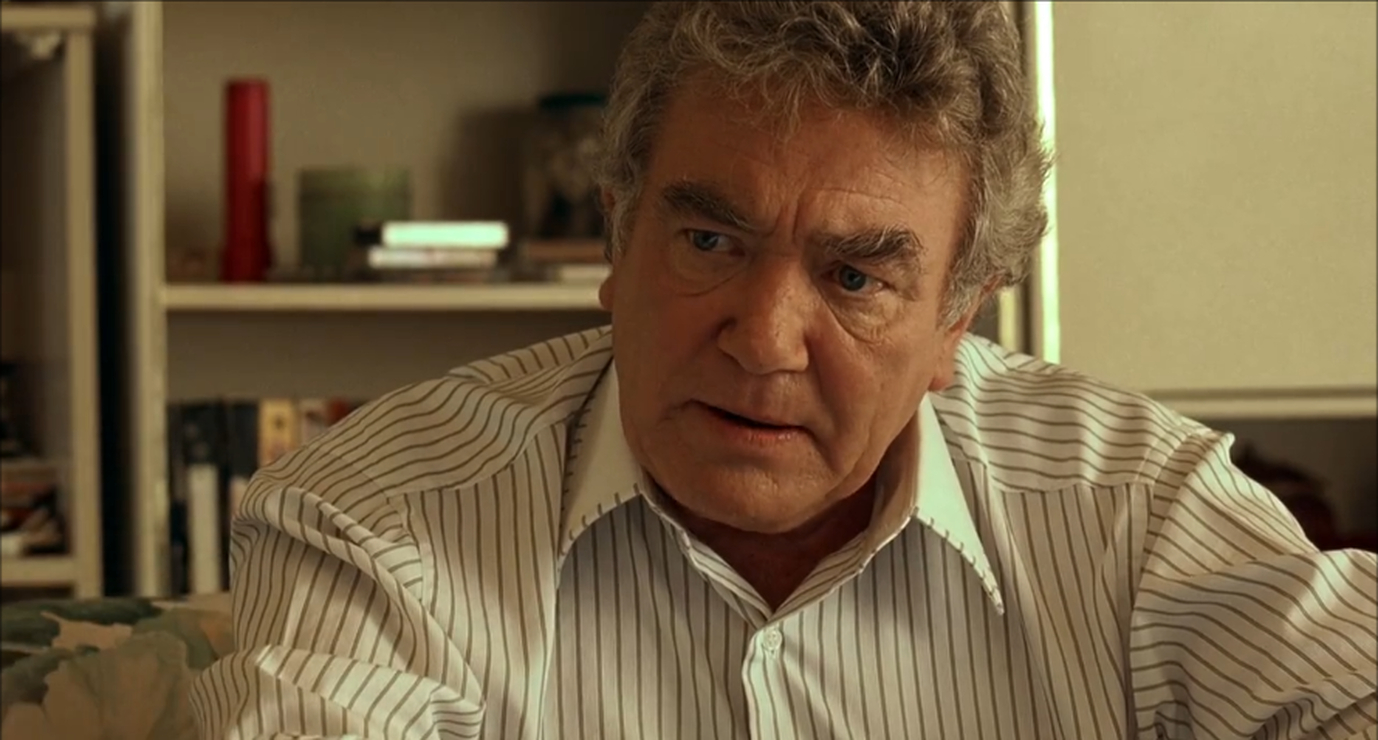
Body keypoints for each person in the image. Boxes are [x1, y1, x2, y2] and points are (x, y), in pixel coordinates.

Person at [191, 2, 1378, 738]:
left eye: (856, 277)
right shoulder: (378, 516)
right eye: (710, 241)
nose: (762, 338)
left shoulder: (1134, 508)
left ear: (956, 317)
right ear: (616, 238)